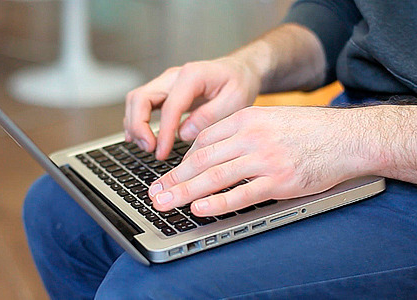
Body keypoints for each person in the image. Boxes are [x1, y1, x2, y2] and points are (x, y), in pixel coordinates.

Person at [24, 0, 417, 298]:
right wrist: (250, 64)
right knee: (58, 205)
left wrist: (355, 139)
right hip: (356, 117)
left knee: (146, 290)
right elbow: (346, 13)